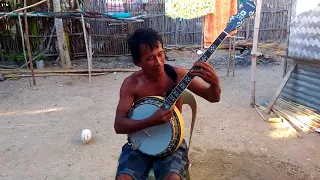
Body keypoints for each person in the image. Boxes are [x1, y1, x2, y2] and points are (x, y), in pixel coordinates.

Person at [114, 28, 221, 180]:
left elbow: (213, 97)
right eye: (150, 58)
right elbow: (119, 125)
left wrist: (215, 84)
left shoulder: (177, 75)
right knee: (123, 178)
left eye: (160, 54)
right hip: (139, 143)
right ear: (137, 62)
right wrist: (150, 121)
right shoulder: (131, 84)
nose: (158, 62)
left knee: (172, 178)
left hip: (173, 144)